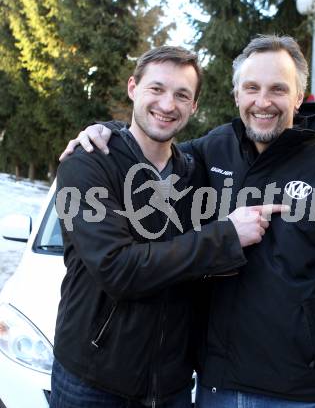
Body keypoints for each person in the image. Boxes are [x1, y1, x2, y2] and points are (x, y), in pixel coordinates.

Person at [62, 35, 315, 408]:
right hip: (213, 386)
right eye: (251, 88)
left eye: (277, 89)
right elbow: (148, 145)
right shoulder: (211, 151)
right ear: (236, 95)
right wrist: (105, 131)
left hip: (296, 394)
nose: (263, 101)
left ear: (298, 96)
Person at [52, 45, 287, 408]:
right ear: (133, 88)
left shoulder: (195, 173)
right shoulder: (89, 166)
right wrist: (225, 236)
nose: (167, 104)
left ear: (193, 107)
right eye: (156, 89)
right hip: (93, 382)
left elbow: (264, 129)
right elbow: (117, 269)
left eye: (182, 95)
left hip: (171, 388)